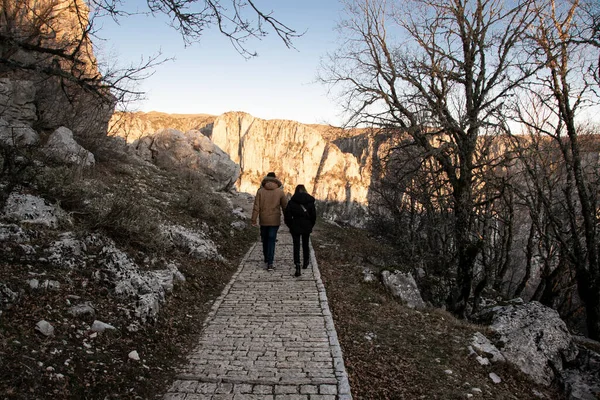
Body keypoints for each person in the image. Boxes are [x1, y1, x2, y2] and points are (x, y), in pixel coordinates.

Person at [251, 172, 288, 271]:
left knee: (264, 239)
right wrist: (287, 218)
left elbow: (256, 207)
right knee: (272, 240)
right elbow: (285, 206)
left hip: (263, 219)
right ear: (275, 179)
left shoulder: (260, 191)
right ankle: (270, 263)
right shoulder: (280, 192)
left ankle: (266, 258)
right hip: (275, 220)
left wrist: (253, 219)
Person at [284, 184, 317, 277]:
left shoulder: (292, 201)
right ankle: (306, 262)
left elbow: (287, 216)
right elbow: (313, 216)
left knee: (296, 245)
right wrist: (311, 225)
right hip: (307, 225)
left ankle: (297, 264)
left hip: (295, 225)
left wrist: (290, 225)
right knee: (306, 244)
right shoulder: (310, 201)